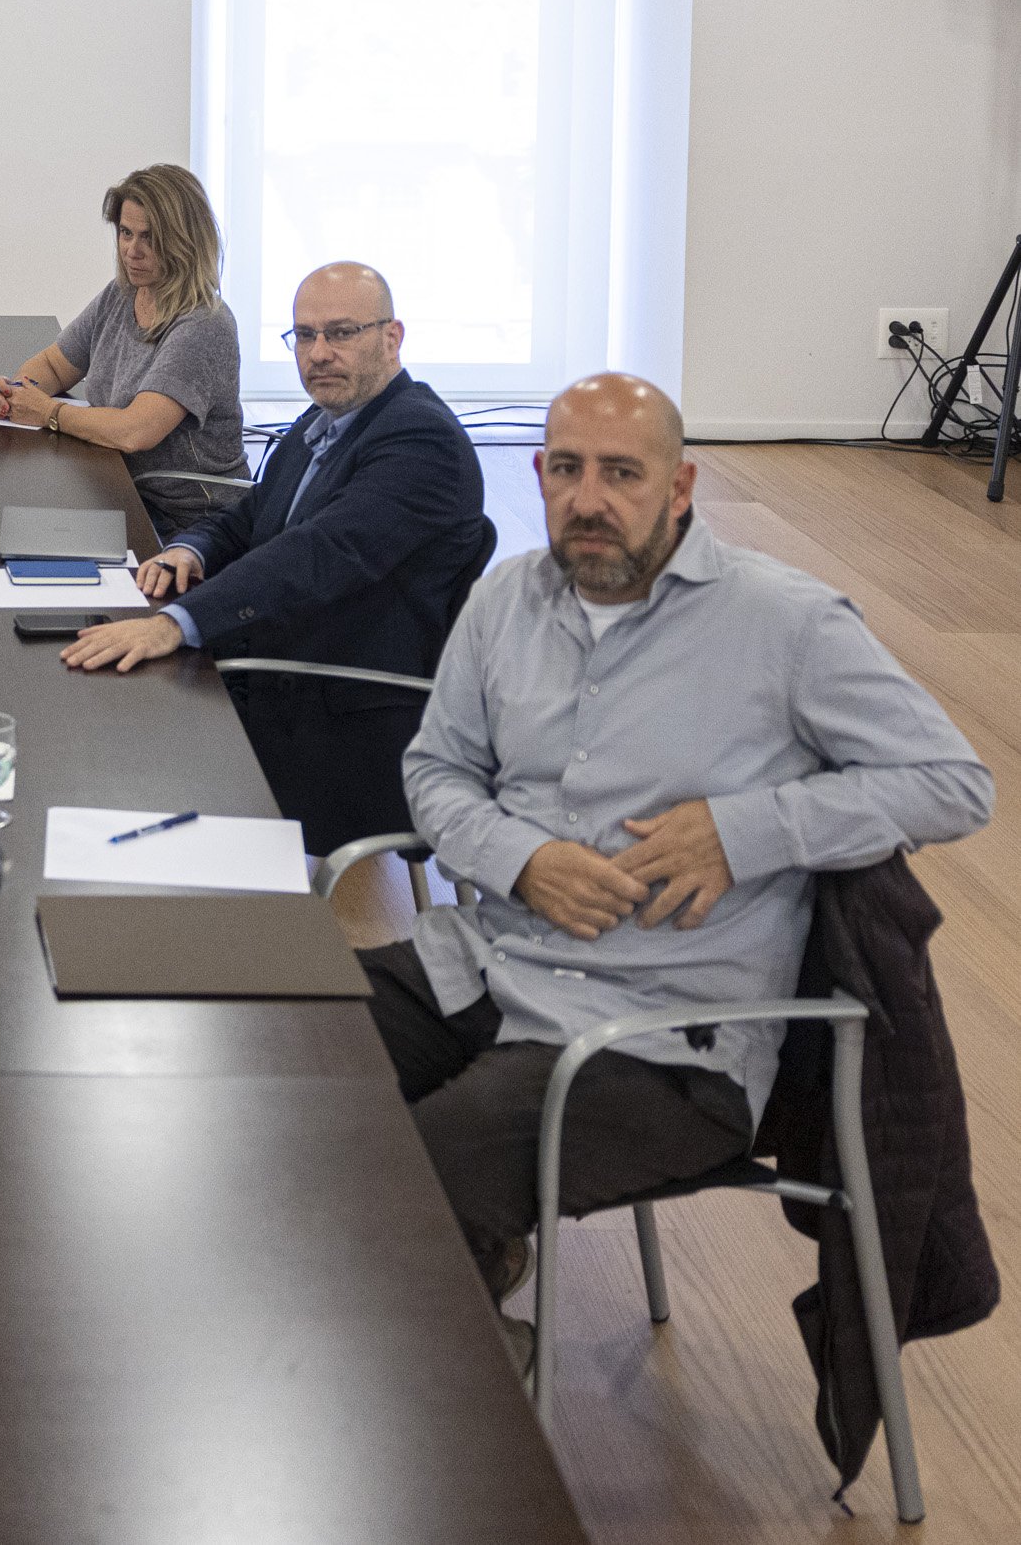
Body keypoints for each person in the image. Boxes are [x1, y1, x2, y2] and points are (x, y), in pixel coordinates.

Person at [367, 371, 991, 1349]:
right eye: (566, 469)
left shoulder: (785, 623)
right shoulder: (505, 602)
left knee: (414, 1169)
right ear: (534, 473)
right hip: (484, 965)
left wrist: (745, 829)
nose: (588, 499)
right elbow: (436, 766)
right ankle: (441, 1292)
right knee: (285, 1063)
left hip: (659, 1039)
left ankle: (460, 1371)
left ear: (680, 485)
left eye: (621, 473)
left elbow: (953, 782)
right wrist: (521, 857)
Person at [58, 262, 487, 852]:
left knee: (105, 722)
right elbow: (254, 514)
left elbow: (313, 555)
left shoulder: (421, 442)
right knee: (87, 675)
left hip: (339, 713)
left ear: (393, 337)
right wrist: (192, 547)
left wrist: (176, 623)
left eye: (341, 333)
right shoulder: (329, 417)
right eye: (304, 336)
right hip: (281, 661)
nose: (318, 353)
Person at [0, 165, 247, 536]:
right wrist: (19, 391)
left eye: (149, 237)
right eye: (125, 233)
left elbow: (135, 432)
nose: (131, 251)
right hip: (120, 485)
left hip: (190, 520)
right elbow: (55, 366)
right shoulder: (121, 294)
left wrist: (47, 411)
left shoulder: (204, 323)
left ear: (185, 240)